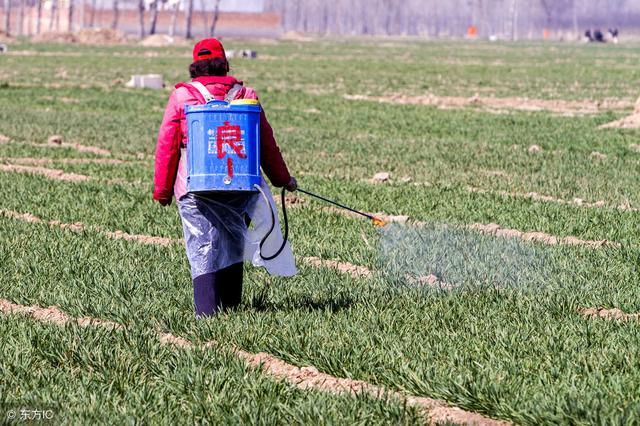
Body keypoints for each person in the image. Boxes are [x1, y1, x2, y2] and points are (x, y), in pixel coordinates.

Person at [153, 38, 297, 317]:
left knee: (203, 245)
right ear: (224, 65)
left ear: (195, 67)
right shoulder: (246, 95)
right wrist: (283, 179)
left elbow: (167, 145)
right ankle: (231, 308)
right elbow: (265, 143)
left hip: (195, 188)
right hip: (240, 186)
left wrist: (163, 191)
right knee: (233, 240)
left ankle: (206, 314)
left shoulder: (182, 97)